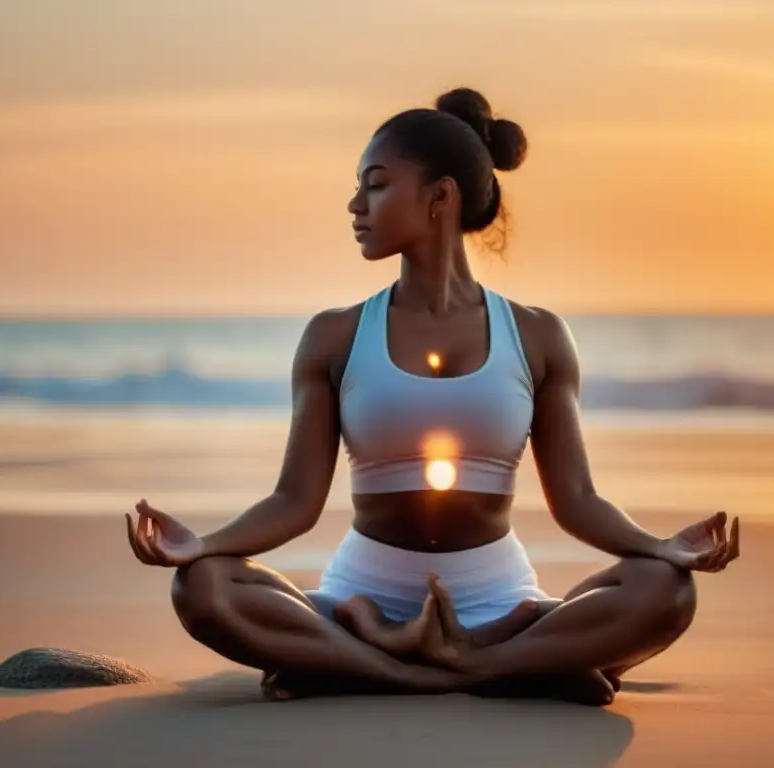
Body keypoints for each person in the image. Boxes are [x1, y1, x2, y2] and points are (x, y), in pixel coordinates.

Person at [124, 87, 740, 706]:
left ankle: (371, 663)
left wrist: (661, 548)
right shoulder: (334, 336)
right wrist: (201, 546)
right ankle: (472, 668)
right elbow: (294, 500)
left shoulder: (537, 335)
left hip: (498, 600)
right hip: (358, 596)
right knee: (202, 587)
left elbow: (576, 500)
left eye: (377, 184)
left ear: (440, 196)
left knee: (666, 590)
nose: (354, 204)